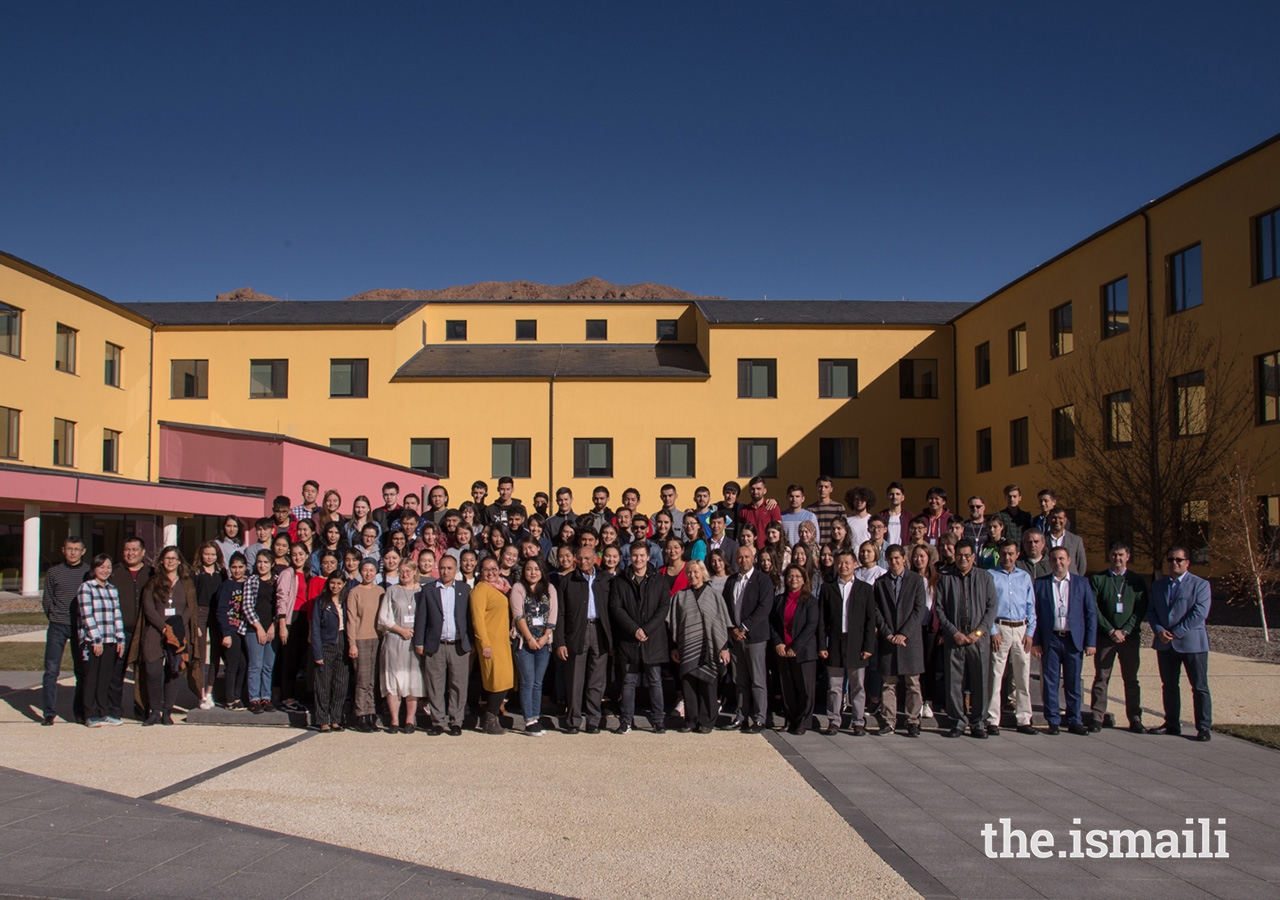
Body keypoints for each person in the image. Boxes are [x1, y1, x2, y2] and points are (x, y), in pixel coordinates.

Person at [1147, 546, 1213, 741]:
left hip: (1192, 643)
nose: (1174, 563)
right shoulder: (1159, 585)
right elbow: (1152, 611)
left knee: (1199, 686)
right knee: (1169, 685)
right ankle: (1171, 723)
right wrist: (1159, 631)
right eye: (1170, 560)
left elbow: (1199, 613)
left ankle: (1203, 726)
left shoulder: (1200, 585)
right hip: (1165, 644)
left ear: (1187, 562)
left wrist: (1175, 632)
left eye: (1178, 560)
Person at [935, 539, 998, 738]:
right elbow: (939, 609)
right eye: (960, 555)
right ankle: (958, 721)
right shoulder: (946, 579)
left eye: (967, 555)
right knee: (954, 682)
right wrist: (953, 632)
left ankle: (978, 722)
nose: (963, 559)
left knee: (980, 680)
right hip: (955, 637)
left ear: (973, 557)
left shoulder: (985, 577)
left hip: (977, 639)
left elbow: (991, 608)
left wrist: (978, 633)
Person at [1032, 546, 1097, 736]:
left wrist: (1090, 642)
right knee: (1050, 681)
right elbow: (1034, 614)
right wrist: (1036, 641)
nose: (1058, 563)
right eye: (1054, 559)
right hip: (1051, 639)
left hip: (1073, 639)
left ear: (1069, 560)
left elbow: (1090, 613)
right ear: (1049, 562)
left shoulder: (1081, 583)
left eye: (1062, 559)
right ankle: (1052, 720)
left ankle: (1074, 719)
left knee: (1073, 681)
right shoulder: (1040, 584)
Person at [1088, 541, 1149, 733]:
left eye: (1121, 555)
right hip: (1106, 636)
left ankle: (1135, 718)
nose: (1117, 558)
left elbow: (1141, 609)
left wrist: (1126, 630)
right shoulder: (1098, 579)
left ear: (1128, 557)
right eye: (1114, 554)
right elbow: (1093, 608)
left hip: (1129, 638)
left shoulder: (1136, 581)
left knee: (1131, 678)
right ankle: (1097, 717)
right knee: (1101, 677)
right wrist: (1110, 630)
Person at [667, 560, 731, 733]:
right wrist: (674, 647)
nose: (692, 575)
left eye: (696, 572)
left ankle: (707, 722)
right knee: (688, 686)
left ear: (703, 572)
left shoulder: (714, 595)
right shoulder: (680, 596)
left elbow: (721, 622)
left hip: (710, 647)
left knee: (707, 685)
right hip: (686, 647)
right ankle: (690, 721)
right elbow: (673, 624)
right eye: (689, 572)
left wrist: (724, 647)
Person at [817, 549, 875, 735]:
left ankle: (858, 721)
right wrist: (822, 645)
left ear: (855, 565)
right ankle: (834, 720)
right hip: (835, 642)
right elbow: (821, 620)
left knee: (858, 685)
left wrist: (868, 646)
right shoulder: (827, 588)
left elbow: (870, 620)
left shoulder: (865, 589)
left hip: (856, 643)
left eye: (847, 563)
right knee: (835, 685)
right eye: (840, 563)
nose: (843, 566)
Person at [555, 545, 612, 734]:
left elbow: (612, 610)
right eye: (579, 559)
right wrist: (560, 642)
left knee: (597, 680)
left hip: (599, 631)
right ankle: (573, 720)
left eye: (587, 559)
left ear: (595, 559)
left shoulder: (605, 579)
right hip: (576, 632)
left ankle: (593, 720)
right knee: (574, 679)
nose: (583, 562)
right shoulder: (568, 581)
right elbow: (560, 614)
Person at [872, 546, 927, 737]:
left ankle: (913, 720)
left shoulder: (916, 580)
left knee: (912, 683)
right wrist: (888, 633)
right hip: (889, 639)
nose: (894, 562)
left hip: (909, 640)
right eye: (890, 559)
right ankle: (888, 721)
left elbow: (919, 610)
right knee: (888, 683)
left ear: (904, 559)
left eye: (897, 558)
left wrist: (904, 633)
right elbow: (876, 610)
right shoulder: (880, 582)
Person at [139, 546, 198, 726]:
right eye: (167, 558)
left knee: (173, 670)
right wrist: (163, 627)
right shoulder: (153, 582)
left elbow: (191, 606)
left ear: (180, 561)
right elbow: (148, 607)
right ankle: (154, 710)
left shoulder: (186, 582)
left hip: (178, 632)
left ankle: (167, 711)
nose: (170, 561)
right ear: (162, 561)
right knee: (153, 670)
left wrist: (178, 625)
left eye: (174, 558)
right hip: (156, 630)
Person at [415, 554, 471, 736]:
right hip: (435, 644)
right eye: (443, 568)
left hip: (458, 645)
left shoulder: (464, 589)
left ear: (456, 570)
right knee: (435, 685)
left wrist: (472, 643)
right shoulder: (429, 590)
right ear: (438, 569)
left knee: (458, 685)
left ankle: (456, 721)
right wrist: (419, 642)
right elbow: (421, 618)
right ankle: (437, 721)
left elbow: (470, 619)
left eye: (450, 568)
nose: (446, 571)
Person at [987, 540, 1037, 736]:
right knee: (996, 675)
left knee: (1022, 676)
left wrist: (1031, 632)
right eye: (1004, 554)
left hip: (1021, 629)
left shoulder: (1024, 577)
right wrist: (992, 631)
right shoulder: (991, 575)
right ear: (999, 554)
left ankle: (1024, 718)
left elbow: (1031, 606)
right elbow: (988, 606)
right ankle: (992, 719)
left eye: (1011, 554)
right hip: (1000, 628)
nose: (1007, 557)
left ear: (1017, 555)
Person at [722, 544, 774, 732]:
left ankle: (760, 718)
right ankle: (741, 716)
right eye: (740, 558)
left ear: (753, 558)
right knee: (740, 680)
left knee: (758, 680)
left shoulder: (762, 580)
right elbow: (726, 606)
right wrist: (733, 629)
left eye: (746, 557)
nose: (743, 560)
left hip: (755, 637)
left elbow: (764, 607)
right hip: (736, 638)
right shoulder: (731, 581)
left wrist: (745, 626)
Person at [42, 536, 89, 726]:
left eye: (77, 549)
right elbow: (47, 600)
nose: (73, 553)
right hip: (58, 625)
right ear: (63, 550)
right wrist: (55, 616)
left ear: (83, 551)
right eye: (69, 549)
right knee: (51, 670)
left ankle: (79, 711)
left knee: (82, 670)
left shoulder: (88, 572)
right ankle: (48, 713)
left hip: (80, 626)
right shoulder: (54, 572)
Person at [76, 554, 125, 727]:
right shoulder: (86, 588)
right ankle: (90, 714)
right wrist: (95, 640)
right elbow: (86, 615)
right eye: (101, 567)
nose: (105, 570)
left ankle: (104, 712)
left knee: (106, 678)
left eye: (108, 567)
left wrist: (120, 638)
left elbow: (116, 614)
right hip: (93, 641)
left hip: (110, 639)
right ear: (94, 568)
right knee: (91, 678)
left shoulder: (112, 589)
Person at [510, 558, 557, 735]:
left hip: (544, 642)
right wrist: (529, 638)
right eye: (529, 569)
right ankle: (528, 720)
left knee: (538, 682)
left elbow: (553, 615)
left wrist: (546, 636)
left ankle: (536, 717)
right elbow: (518, 615)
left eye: (537, 569)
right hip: (524, 641)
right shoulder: (518, 588)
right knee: (527, 681)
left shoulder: (550, 589)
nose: (533, 572)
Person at [770, 564, 820, 734]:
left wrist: (796, 646)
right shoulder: (779, 600)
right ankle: (790, 719)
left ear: (804, 579)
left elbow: (811, 625)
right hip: (783, 650)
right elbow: (773, 624)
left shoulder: (810, 601)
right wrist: (778, 643)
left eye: (798, 576)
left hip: (803, 651)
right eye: (790, 576)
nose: (793, 580)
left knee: (805, 689)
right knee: (788, 687)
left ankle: (803, 722)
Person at [109, 536, 153, 720]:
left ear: (143, 552)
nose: (131, 553)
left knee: (143, 671)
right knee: (116, 671)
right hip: (119, 631)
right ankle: (113, 710)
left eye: (135, 549)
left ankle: (142, 708)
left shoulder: (152, 573)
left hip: (144, 629)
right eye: (127, 549)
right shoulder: (114, 572)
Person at [379, 559, 424, 734]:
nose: (404, 575)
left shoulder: (421, 591)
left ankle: (410, 720)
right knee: (393, 679)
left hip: (414, 640)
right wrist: (400, 630)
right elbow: (384, 617)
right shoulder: (391, 591)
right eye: (401, 571)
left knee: (412, 678)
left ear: (414, 572)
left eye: (408, 571)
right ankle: (394, 720)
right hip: (395, 638)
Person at [472, 557, 514, 734]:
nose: (491, 573)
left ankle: (492, 716)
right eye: (486, 570)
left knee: (506, 680)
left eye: (494, 568)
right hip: (490, 642)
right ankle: (490, 717)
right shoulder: (480, 591)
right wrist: (484, 643)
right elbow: (478, 620)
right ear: (480, 573)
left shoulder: (501, 588)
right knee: (497, 681)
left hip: (502, 640)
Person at [346, 559, 385, 732]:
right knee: (362, 679)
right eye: (365, 570)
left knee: (373, 680)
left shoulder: (381, 591)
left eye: (371, 570)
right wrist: (352, 643)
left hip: (377, 638)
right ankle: (361, 714)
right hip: (361, 638)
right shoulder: (354, 592)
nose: (368, 573)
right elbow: (351, 620)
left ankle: (371, 714)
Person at [274, 542, 313, 712]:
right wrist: (282, 624)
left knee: (299, 660)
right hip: (291, 617)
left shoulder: (309, 574)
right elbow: (281, 598)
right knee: (289, 660)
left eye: (301, 554)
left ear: (306, 555)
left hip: (306, 617)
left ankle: (294, 697)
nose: (298, 557)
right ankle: (287, 698)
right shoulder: (287, 573)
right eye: (295, 554)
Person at [310, 571, 349, 733]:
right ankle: (322, 719)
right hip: (326, 643)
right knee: (323, 684)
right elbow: (315, 629)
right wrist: (317, 653)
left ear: (344, 584)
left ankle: (336, 718)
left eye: (339, 583)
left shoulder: (346, 601)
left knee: (340, 683)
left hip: (343, 642)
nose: (335, 586)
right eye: (333, 583)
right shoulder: (321, 601)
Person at [240, 550, 278, 713]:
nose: (262, 565)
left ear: (272, 564)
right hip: (253, 628)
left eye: (265, 562)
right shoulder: (251, 581)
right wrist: (259, 628)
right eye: (259, 562)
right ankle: (254, 698)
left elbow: (280, 606)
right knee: (255, 665)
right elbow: (247, 606)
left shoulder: (277, 581)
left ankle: (266, 697)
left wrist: (273, 626)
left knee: (268, 666)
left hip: (271, 628)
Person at [909, 543, 942, 720]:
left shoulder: (936, 579)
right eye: (916, 556)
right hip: (913, 627)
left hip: (930, 627)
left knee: (929, 665)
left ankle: (927, 701)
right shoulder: (909, 578)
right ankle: (916, 700)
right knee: (915, 666)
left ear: (929, 558)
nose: (919, 559)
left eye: (922, 556)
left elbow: (940, 605)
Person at [192, 541, 226, 711]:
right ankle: (200, 693)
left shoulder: (222, 573)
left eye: (212, 554)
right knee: (200, 654)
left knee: (215, 655)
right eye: (206, 554)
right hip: (200, 612)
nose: (209, 557)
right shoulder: (196, 573)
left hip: (218, 612)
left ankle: (209, 691)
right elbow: (192, 598)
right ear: (201, 555)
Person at [213, 553, 250, 709]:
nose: (237, 571)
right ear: (229, 568)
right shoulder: (226, 586)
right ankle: (229, 699)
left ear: (246, 567)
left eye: (240, 567)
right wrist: (226, 633)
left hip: (244, 629)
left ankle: (236, 696)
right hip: (231, 628)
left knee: (243, 664)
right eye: (234, 567)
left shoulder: (248, 584)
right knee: (232, 664)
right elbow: (220, 610)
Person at [739, 477, 781, 550]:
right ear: (749, 491)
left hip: (769, 551)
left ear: (764, 490)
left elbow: (778, 531)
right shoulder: (744, 511)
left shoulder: (773, 508)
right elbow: (740, 534)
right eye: (753, 489)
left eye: (758, 489)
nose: (755, 492)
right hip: (750, 552)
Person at [1045, 507, 1087, 575]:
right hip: (1048, 581)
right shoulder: (1042, 540)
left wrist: (1076, 579)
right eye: (1054, 518)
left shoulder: (1076, 540)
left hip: (1070, 581)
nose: (1057, 521)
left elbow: (1082, 564)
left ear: (1065, 520)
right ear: (1049, 519)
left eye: (1060, 518)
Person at [806, 475, 846, 545]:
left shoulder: (839, 507)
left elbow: (844, 529)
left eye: (826, 487)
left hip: (834, 547)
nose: (823, 490)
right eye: (820, 486)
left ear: (831, 489)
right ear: (816, 488)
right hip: (816, 547)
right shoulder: (810, 509)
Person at [877, 483, 914, 547]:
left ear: (903, 497)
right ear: (887, 497)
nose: (894, 497)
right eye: (891, 494)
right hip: (884, 553)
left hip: (903, 553)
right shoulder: (881, 516)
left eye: (898, 494)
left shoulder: (910, 517)